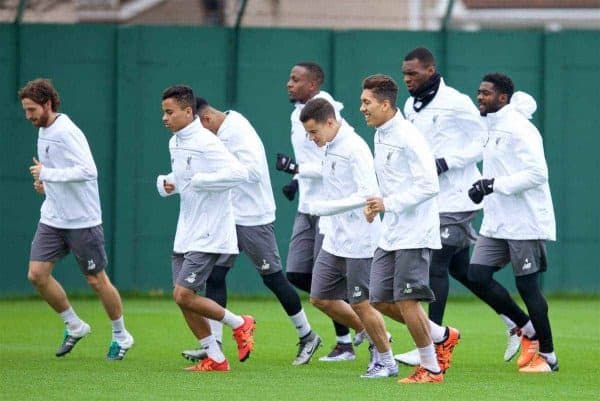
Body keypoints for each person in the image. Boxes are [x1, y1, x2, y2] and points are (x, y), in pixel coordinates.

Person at [394, 47, 524, 366]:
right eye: (405, 74)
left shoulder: (455, 102)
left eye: (413, 73)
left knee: (434, 264)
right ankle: (520, 323)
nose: (407, 79)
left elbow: (483, 141)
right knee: (464, 271)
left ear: (431, 70)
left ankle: (433, 344)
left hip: (457, 198)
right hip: (431, 199)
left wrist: (446, 162)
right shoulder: (412, 105)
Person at [180, 97, 321, 366]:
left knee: (273, 278)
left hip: (253, 217)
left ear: (206, 119)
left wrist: (217, 173)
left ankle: (308, 336)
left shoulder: (238, 132)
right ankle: (215, 345)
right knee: (215, 275)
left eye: (199, 131)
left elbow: (254, 173)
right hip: (228, 216)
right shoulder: (220, 128)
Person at [19, 78, 134, 360]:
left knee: (96, 281)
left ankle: (121, 335)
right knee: (37, 274)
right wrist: (47, 185)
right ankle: (75, 325)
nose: (28, 116)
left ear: (47, 104)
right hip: (53, 218)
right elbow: (58, 170)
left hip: (83, 221)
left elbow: (88, 171)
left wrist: (48, 175)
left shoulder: (67, 132)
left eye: (32, 109)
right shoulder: (44, 128)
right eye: (26, 110)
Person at [361, 74, 460, 384]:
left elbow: (429, 185)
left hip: (415, 231)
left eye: (367, 103)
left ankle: (430, 369)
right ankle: (442, 335)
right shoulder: (379, 134)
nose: (362, 108)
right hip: (391, 231)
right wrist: (376, 204)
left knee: (407, 300)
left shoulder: (408, 135)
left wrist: (389, 203)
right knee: (378, 298)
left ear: (386, 104)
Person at [156, 85, 255, 372]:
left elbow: (240, 173)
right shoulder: (175, 142)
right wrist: (168, 183)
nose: (165, 118)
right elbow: (184, 177)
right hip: (186, 231)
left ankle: (241, 323)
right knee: (184, 300)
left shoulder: (206, 141)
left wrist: (201, 180)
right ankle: (217, 358)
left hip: (209, 233)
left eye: (170, 112)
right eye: (163, 112)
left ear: (188, 112)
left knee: (183, 295)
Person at [297, 98, 397, 378]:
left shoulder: (354, 148)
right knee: (319, 297)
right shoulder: (329, 146)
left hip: (361, 240)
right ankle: (378, 334)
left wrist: (325, 208)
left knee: (362, 303)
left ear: (330, 122)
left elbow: (368, 193)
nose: (311, 138)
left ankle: (386, 360)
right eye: (308, 133)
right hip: (335, 238)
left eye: (314, 132)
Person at [467, 73, 558, 373]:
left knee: (527, 287)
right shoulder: (489, 126)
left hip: (525, 221)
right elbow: (496, 170)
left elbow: (537, 174)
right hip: (497, 222)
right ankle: (525, 328)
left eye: (486, 93)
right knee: (477, 276)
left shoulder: (521, 129)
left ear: (503, 98)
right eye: (479, 92)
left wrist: (494, 185)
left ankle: (548, 356)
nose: (480, 97)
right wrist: (481, 185)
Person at [275, 61, 355, 361]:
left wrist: (296, 169)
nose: (289, 84)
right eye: (289, 78)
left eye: (296, 79)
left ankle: (348, 340)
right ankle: (352, 318)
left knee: (327, 281)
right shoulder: (298, 113)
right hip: (306, 205)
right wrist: (297, 180)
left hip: (329, 208)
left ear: (313, 85)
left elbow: (333, 163)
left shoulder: (328, 113)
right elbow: (311, 158)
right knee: (296, 273)